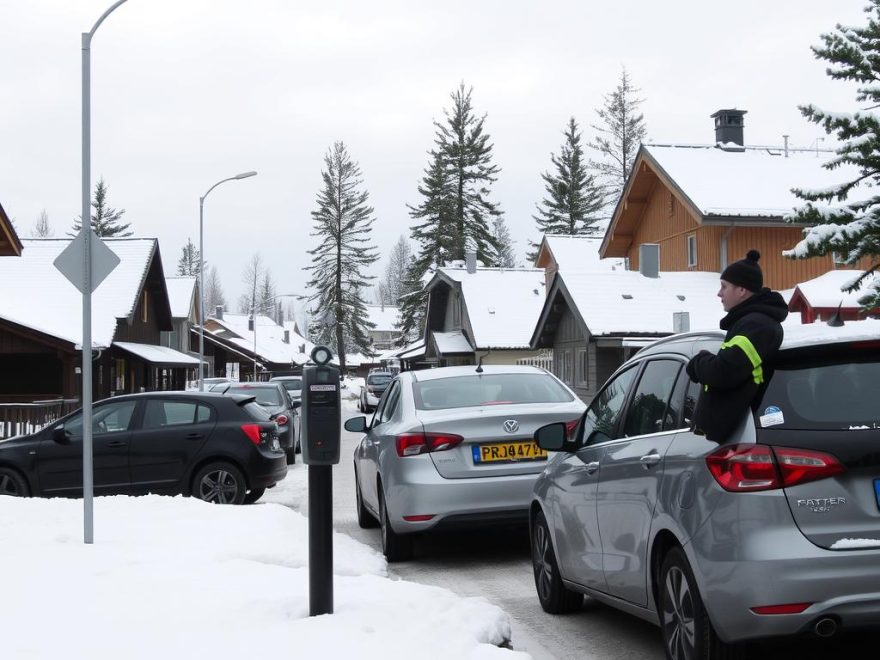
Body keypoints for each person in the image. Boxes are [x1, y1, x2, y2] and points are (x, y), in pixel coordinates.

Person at [685, 250, 789, 442]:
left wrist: (699, 361)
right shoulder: (751, 323)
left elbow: (724, 372)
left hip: (743, 437)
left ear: (741, 290)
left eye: (724, 286)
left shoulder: (756, 326)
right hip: (742, 435)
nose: (719, 293)